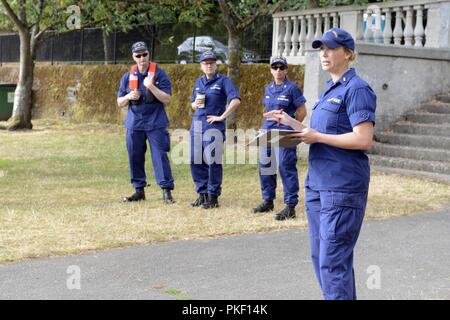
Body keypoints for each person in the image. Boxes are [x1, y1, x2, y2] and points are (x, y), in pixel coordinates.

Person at [264, 28, 376, 300]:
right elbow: (323, 133)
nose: (323, 53)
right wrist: (292, 124)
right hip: (318, 185)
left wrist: (316, 136)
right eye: (321, 48)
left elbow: (364, 139)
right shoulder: (330, 89)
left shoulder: (357, 89)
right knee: (321, 257)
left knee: (332, 261)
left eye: (330, 48)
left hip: (341, 186)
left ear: (348, 53)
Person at [117, 41, 175, 204]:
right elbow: (119, 102)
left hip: (156, 122)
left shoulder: (160, 74)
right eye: (138, 55)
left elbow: (168, 99)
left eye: (145, 54)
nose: (142, 58)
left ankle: (166, 191)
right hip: (134, 124)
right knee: (134, 156)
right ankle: (139, 190)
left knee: (160, 155)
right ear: (133, 57)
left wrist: (151, 87)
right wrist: (128, 96)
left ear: (149, 54)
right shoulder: (128, 77)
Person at [252, 56, 307, 221]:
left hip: (284, 134)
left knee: (285, 166)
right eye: (275, 68)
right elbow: (268, 111)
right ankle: (268, 200)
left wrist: (291, 126)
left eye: (281, 68)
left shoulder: (292, 88)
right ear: (270, 70)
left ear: (286, 70)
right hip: (267, 132)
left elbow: (302, 111)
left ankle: (290, 206)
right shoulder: (268, 89)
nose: (278, 71)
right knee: (265, 166)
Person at [190, 51, 241, 209]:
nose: (209, 65)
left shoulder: (223, 81)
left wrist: (222, 117)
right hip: (197, 124)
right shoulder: (198, 82)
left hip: (213, 126)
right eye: (205, 63)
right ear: (201, 66)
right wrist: (195, 104)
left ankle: (213, 196)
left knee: (213, 161)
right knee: (195, 159)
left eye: (211, 62)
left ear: (216, 65)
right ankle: (202, 193)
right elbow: (192, 104)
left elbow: (236, 100)